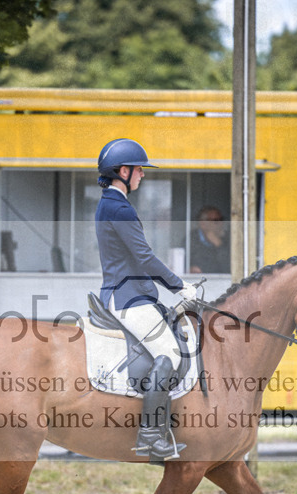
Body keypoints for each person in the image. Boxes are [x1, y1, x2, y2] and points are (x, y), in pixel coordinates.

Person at [94, 138, 198, 462]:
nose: (143, 175)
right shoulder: (119, 207)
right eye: (139, 169)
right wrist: (180, 286)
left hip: (130, 293)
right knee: (168, 353)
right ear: (123, 171)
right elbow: (144, 257)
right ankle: (151, 435)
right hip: (129, 297)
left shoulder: (110, 203)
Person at [189, 205, 230, 274]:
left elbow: (230, 268)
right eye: (216, 221)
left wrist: (219, 245)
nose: (220, 223)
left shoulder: (229, 238)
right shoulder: (191, 240)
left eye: (221, 219)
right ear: (203, 224)